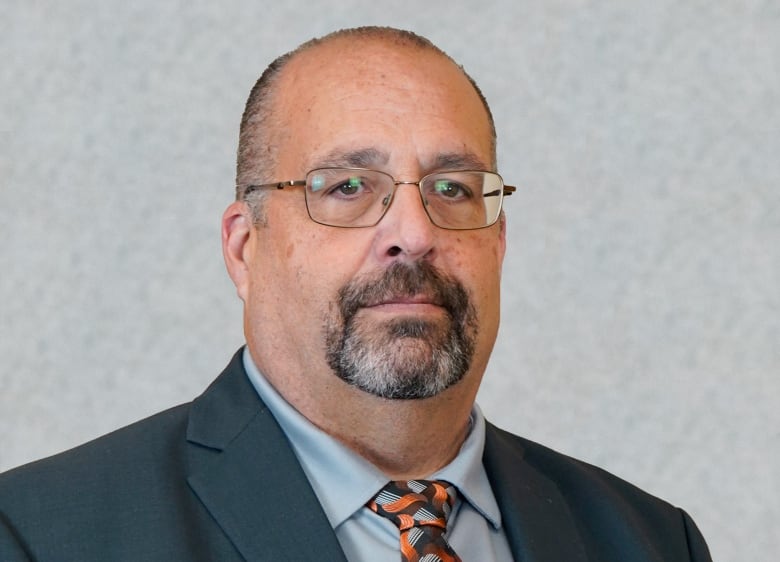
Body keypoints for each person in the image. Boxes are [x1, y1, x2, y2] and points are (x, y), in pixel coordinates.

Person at [0, 26, 711, 561]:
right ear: (245, 248)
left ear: (498, 244)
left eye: (453, 189)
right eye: (345, 187)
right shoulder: (42, 534)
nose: (412, 231)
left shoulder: (649, 540)